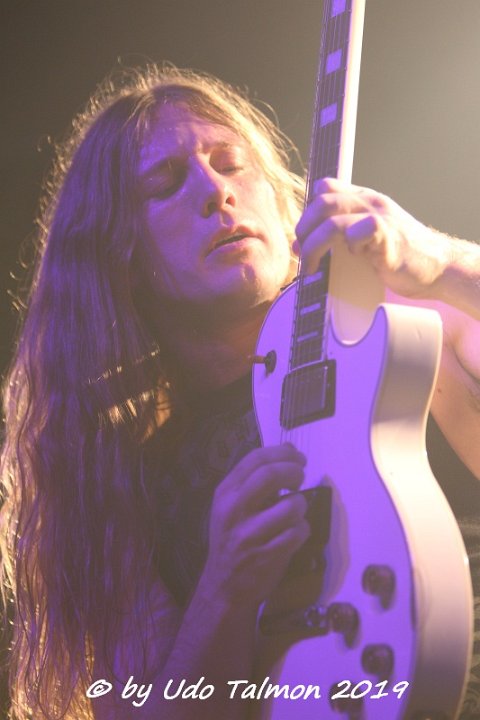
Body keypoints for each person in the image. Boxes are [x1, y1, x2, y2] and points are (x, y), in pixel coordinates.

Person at [0, 64, 479, 720]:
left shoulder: (400, 330)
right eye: (165, 184)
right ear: (121, 258)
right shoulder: (120, 478)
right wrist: (223, 590)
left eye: (231, 164)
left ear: (282, 201)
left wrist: (440, 263)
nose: (215, 191)